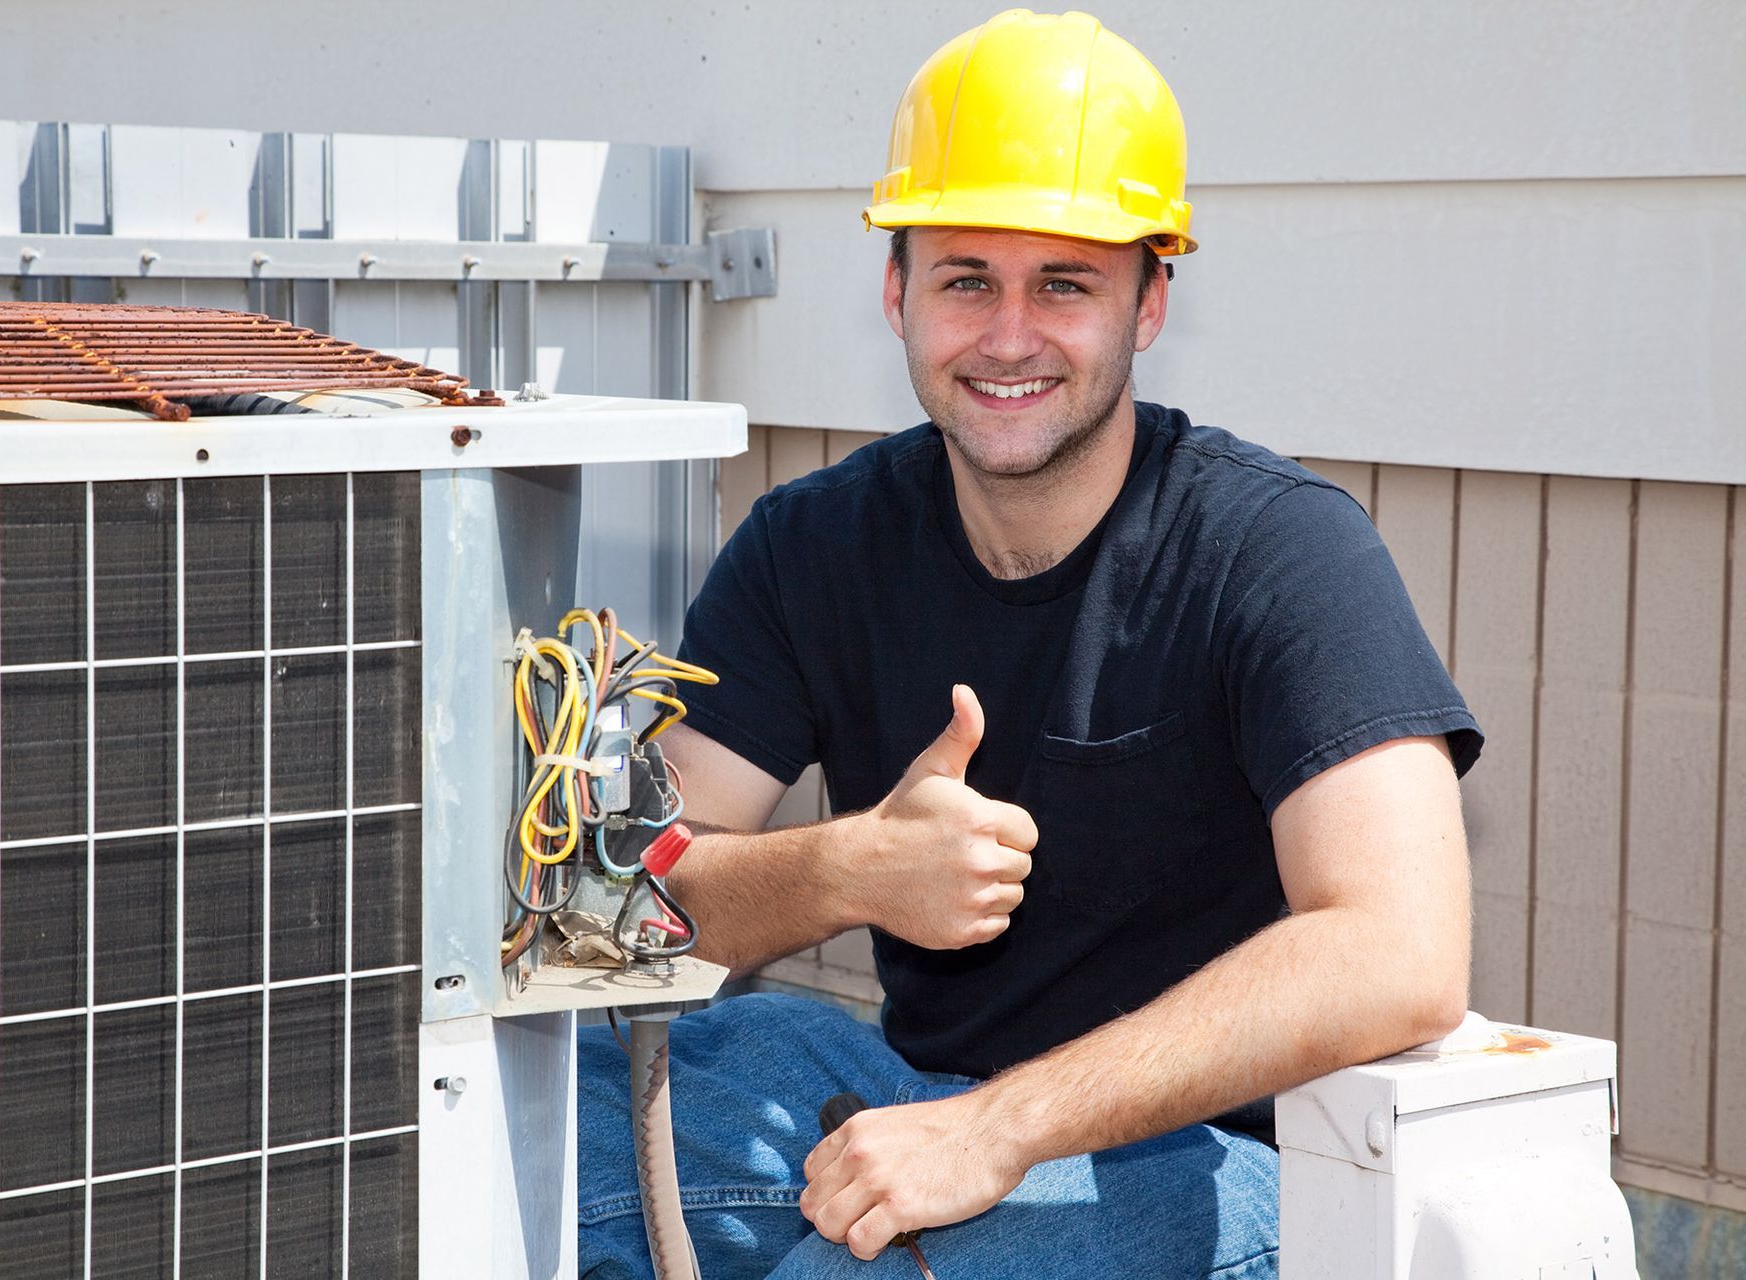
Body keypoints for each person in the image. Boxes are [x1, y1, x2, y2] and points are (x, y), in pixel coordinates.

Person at [576, 10, 1481, 1278]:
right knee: (535, 1141)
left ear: (1150, 301)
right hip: (914, 1091)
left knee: (856, 1271)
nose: (1009, 336)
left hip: (1223, 1157)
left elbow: (1403, 948)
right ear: (896, 291)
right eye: (965, 279)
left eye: (1065, 282)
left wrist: (999, 1128)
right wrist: (844, 869)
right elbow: (624, 897)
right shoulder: (812, 545)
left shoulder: (1280, 551)